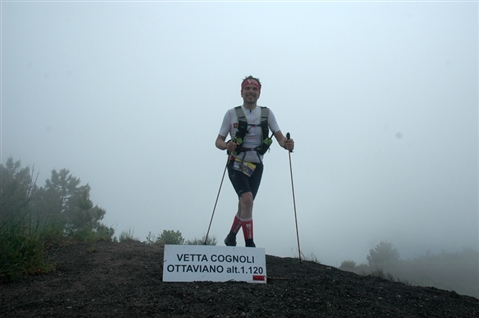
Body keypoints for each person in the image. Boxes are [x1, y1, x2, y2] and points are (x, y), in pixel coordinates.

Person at [215, 75, 295, 247]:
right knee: (247, 201)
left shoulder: (267, 113)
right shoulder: (231, 114)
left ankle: (231, 237)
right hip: (236, 162)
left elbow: (280, 138)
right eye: (247, 89)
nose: (250, 92)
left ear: (259, 93)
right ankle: (250, 245)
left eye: (254, 89)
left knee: (245, 205)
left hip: (257, 165)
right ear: (241, 92)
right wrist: (227, 145)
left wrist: (287, 144)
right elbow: (218, 141)